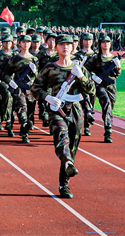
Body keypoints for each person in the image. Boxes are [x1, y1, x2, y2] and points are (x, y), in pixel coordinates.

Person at [31, 34, 95, 199]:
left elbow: (91, 90)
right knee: (62, 138)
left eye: (68, 44)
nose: (65, 47)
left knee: (72, 146)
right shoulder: (50, 68)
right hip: (57, 110)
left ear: (73, 47)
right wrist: (47, 97)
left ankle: (64, 184)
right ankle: (67, 163)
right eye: (61, 44)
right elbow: (35, 88)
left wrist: (81, 76)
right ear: (56, 47)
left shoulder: (79, 68)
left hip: (76, 110)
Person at [85, 35, 122, 143]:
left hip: (111, 86)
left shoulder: (114, 58)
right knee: (106, 104)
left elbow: (116, 75)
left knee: (110, 108)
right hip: (100, 86)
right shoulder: (96, 58)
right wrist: (93, 76)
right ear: (100, 44)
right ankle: (108, 132)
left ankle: (107, 124)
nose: (106, 44)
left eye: (108, 42)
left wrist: (118, 67)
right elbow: (85, 69)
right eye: (103, 42)